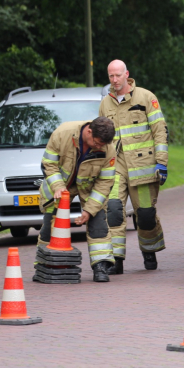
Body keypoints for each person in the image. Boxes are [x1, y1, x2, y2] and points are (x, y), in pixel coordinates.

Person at [100, 59, 168, 274]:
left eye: (118, 75)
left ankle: (149, 251)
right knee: (113, 211)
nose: (114, 80)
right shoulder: (105, 103)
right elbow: (102, 139)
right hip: (116, 166)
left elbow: (159, 131)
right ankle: (116, 260)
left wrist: (162, 162)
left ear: (126, 74)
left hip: (143, 166)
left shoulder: (146, 97)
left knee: (146, 215)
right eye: (111, 76)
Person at [37, 117, 118, 282]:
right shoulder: (63, 133)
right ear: (89, 131)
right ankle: (44, 265)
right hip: (58, 188)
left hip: (88, 187)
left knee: (99, 224)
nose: (100, 147)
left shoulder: (108, 148)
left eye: (103, 144)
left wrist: (89, 210)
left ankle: (100, 266)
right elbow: (48, 163)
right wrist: (58, 186)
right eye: (97, 142)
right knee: (49, 227)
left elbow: (105, 182)